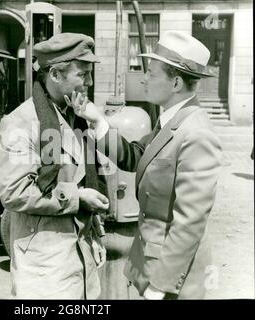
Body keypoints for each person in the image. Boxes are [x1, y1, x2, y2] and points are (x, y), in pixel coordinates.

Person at [69, 30, 223, 299]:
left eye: (152, 73)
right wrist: (98, 122)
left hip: (173, 278)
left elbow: (190, 223)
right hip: (152, 264)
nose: (144, 79)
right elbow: (138, 156)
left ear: (175, 83)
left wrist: (161, 284)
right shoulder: (172, 120)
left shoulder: (197, 133)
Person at [0, 33, 109, 299]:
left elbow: (83, 174)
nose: (89, 82)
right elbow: (14, 192)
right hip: (45, 266)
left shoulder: (75, 116)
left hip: (82, 257)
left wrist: (95, 235)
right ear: (55, 75)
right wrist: (78, 198)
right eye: (83, 74)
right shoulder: (21, 122)